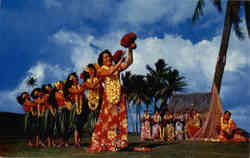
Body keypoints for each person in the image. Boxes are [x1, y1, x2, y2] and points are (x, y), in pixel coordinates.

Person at [88, 43, 135, 152]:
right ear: (102, 61)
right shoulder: (100, 70)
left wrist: (130, 50)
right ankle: (108, 143)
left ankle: (118, 143)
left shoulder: (116, 67)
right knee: (108, 120)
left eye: (109, 56)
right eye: (105, 57)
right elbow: (110, 72)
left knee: (120, 119)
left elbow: (129, 62)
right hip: (109, 99)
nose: (108, 58)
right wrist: (119, 61)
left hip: (119, 97)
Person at [81, 64, 103, 136]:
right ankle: (93, 137)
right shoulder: (85, 81)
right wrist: (100, 80)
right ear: (87, 72)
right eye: (90, 70)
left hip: (98, 101)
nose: (92, 71)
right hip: (90, 102)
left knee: (99, 120)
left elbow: (101, 89)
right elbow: (92, 86)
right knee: (91, 121)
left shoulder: (98, 79)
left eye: (93, 69)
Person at [65, 72, 85, 148]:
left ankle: (78, 141)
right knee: (75, 125)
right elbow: (77, 92)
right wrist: (85, 84)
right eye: (74, 80)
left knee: (80, 124)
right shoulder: (70, 88)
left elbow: (83, 95)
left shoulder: (80, 86)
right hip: (74, 108)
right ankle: (76, 142)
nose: (76, 81)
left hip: (81, 106)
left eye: (76, 79)